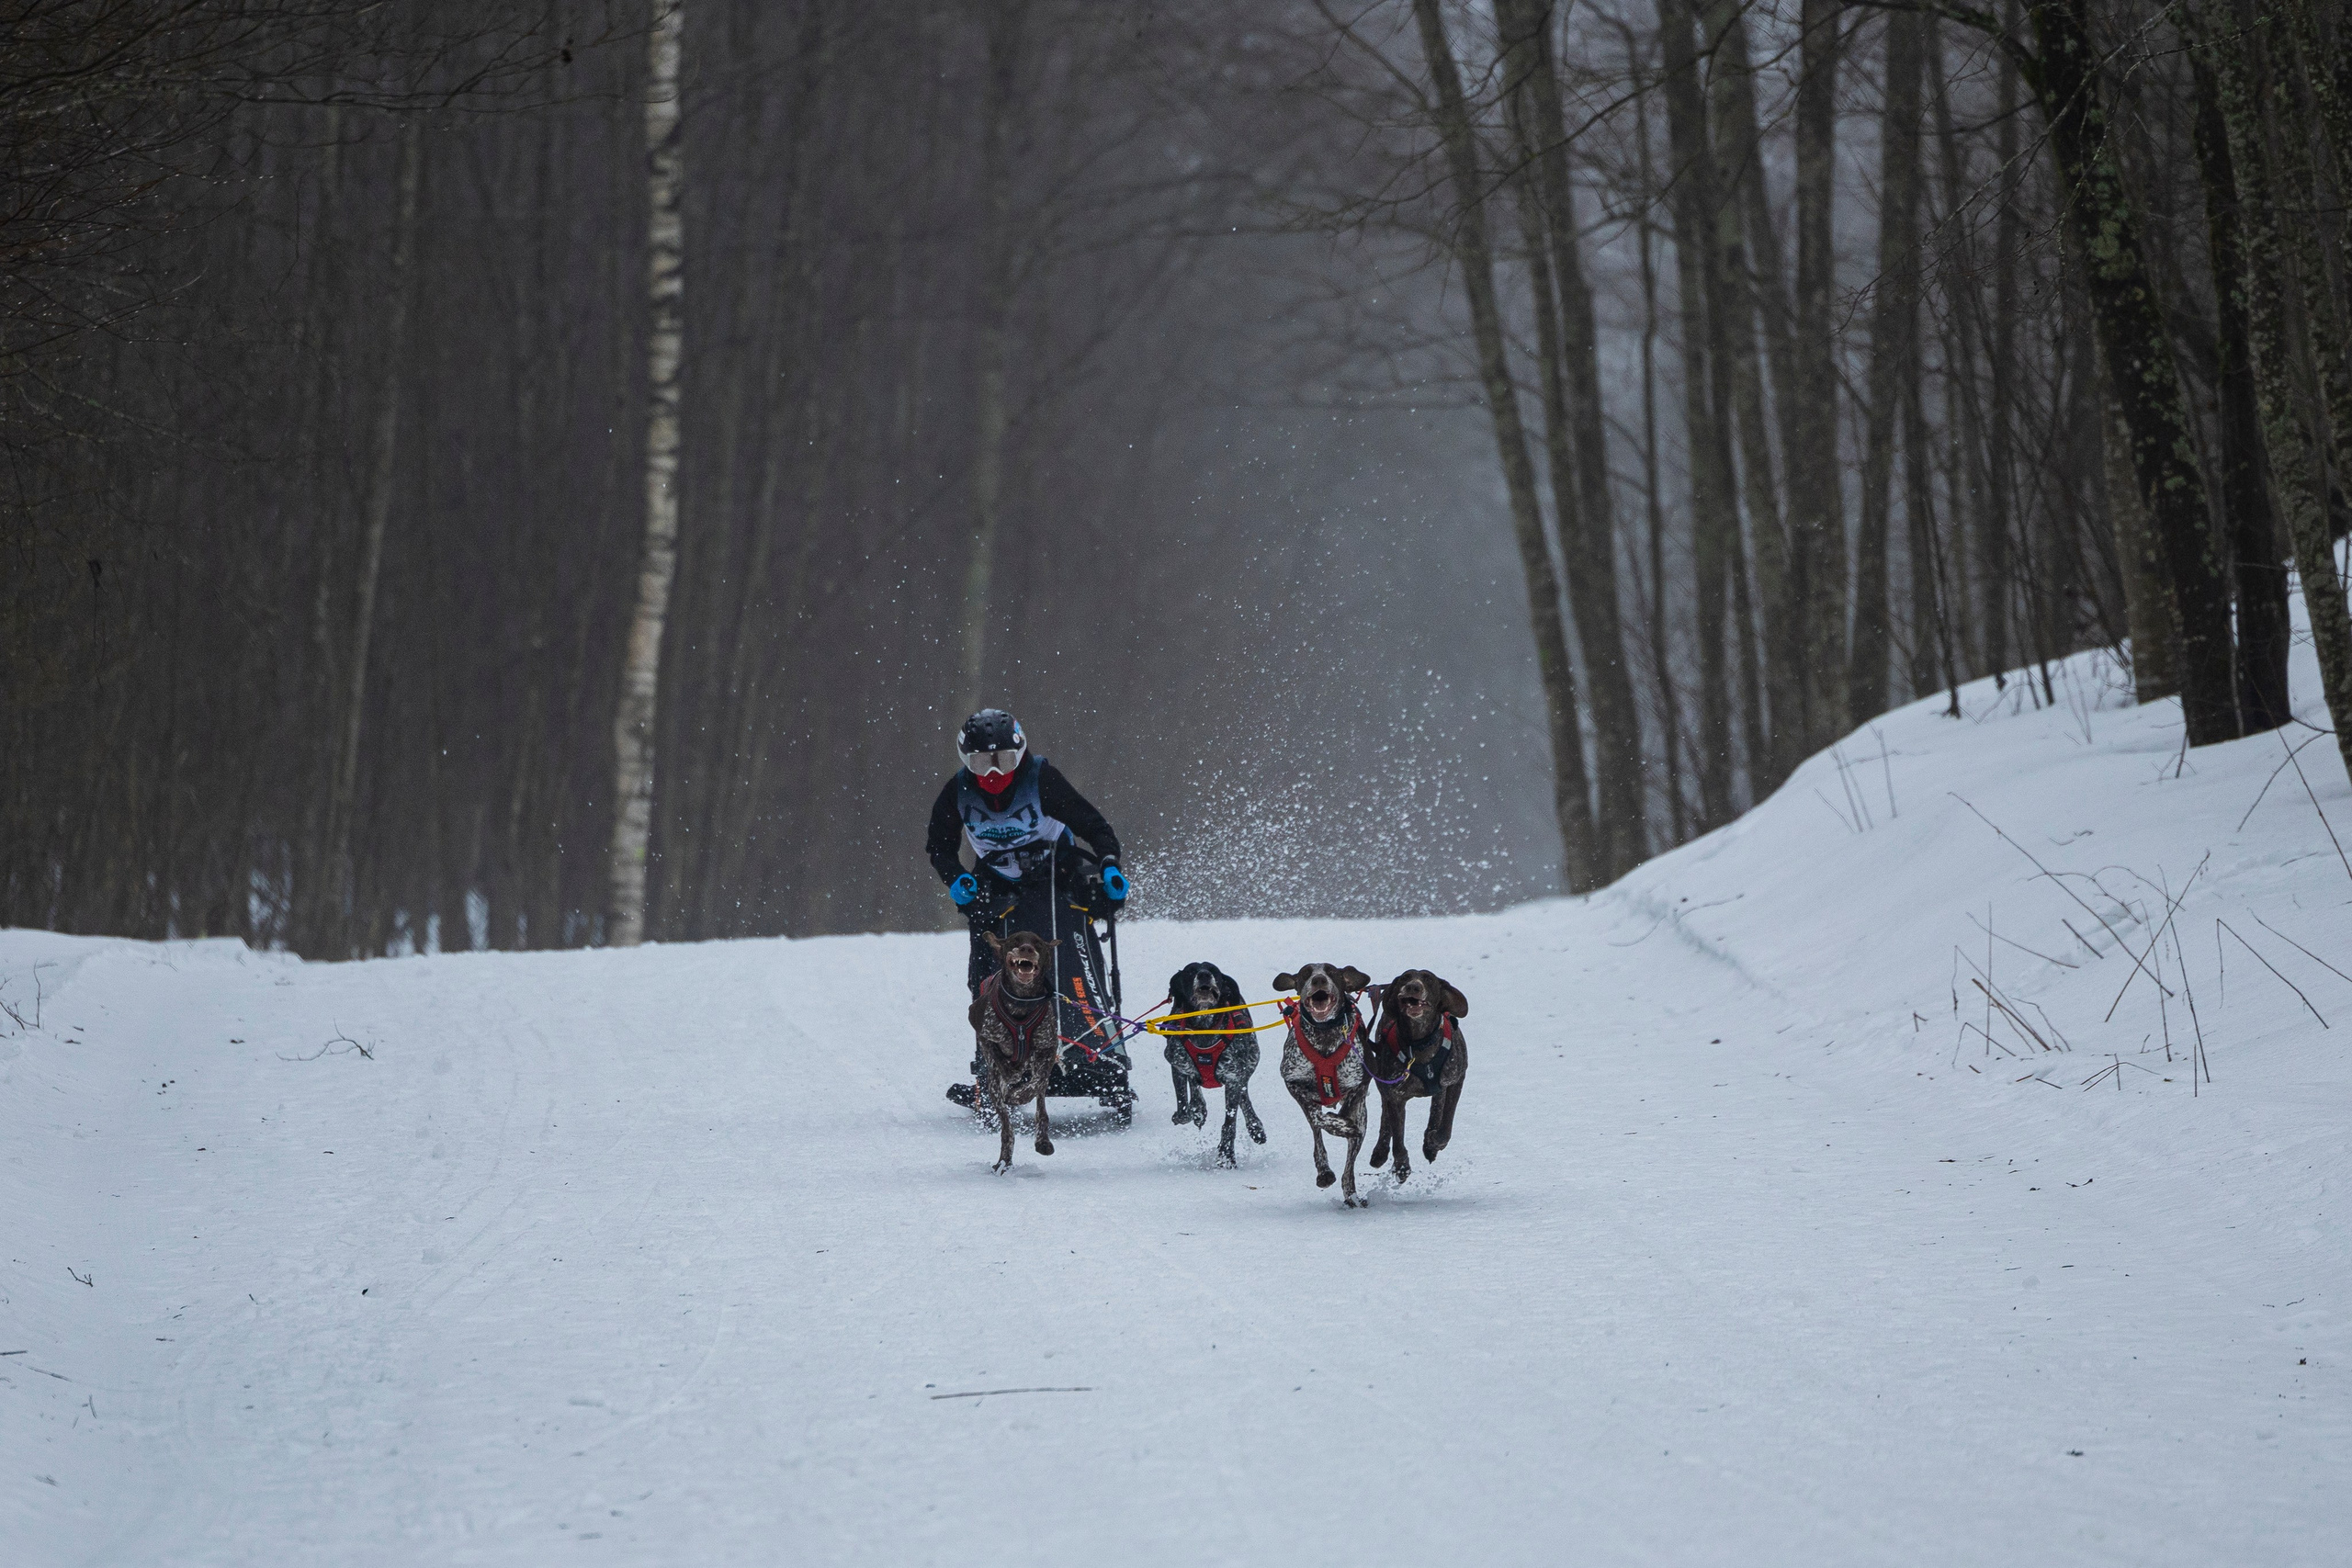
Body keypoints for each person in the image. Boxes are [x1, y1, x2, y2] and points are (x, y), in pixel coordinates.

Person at [927, 708, 1131, 1108]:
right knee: (988, 972)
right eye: (981, 763)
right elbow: (939, 846)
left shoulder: (1042, 779)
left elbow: (1095, 827)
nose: (993, 773)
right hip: (996, 885)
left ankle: (1096, 1054)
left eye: (1003, 760)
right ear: (966, 761)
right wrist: (956, 879)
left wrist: (1108, 863)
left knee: (1066, 958)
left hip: (1057, 874)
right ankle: (993, 1066)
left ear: (1019, 754)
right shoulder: (958, 792)